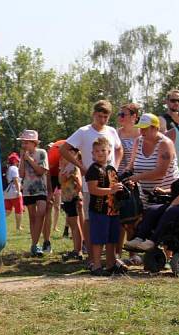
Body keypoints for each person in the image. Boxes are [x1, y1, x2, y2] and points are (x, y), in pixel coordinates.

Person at [60, 100, 123, 262]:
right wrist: (80, 166)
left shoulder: (111, 131)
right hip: (92, 182)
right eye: (99, 116)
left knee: (111, 216)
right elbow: (64, 149)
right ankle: (90, 254)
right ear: (94, 114)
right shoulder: (84, 131)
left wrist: (114, 167)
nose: (102, 120)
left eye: (106, 117)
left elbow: (119, 149)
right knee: (90, 218)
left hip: (110, 183)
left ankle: (111, 257)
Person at [85, 137, 125, 276]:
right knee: (98, 238)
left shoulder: (111, 168)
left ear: (109, 152)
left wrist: (122, 187)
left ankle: (110, 263)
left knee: (112, 238)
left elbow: (115, 186)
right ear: (92, 153)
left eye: (103, 150)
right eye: (97, 151)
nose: (100, 153)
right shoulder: (93, 169)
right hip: (99, 210)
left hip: (113, 210)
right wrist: (111, 190)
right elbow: (93, 189)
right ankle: (96, 265)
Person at [126, 114, 179, 206]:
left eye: (145, 128)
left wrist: (136, 178)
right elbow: (131, 165)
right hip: (144, 197)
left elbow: (161, 172)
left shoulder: (165, 144)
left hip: (165, 197)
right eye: (140, 128)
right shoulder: (138, 141)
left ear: (155, 128)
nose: (141, 131)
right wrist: (125, 175)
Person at [17, 130, 48, 257]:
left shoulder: (42, 153)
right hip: (28, 190)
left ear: (34, 143)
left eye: (26, 142)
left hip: (41, 189)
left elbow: (41, 171)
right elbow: (21, 174)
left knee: (41, 213)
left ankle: (36, 243)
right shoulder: (23, 155)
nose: (24, 145)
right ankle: (35, 245)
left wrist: (29, 159)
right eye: (23, 143)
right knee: (32, 217)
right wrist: (23, 160)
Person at [59, 146, 83, 260]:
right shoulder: (65, 166)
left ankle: (78, 250)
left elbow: (79, 184)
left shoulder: (74, 167)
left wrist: (76, 195)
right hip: (66, 198)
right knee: (73, 224)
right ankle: (76, 249)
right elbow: (61, 181)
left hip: (72, 197)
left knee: (75, 224)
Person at [116, 103, 140, 174]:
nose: (120, 117)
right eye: (119, 114)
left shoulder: (143, 134)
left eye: (123, 115)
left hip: (138, 177)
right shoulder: (116, 133)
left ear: (134, 116)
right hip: (120, 177)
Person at [2, 152, 23, 231]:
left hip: (6, 193)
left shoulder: (7, 168)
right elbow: (15, 180)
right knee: (19, 210)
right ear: (15, 161)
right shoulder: (14, 168)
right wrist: (18, 191)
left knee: (7, 210)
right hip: (14, 192)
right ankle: (18, 226)